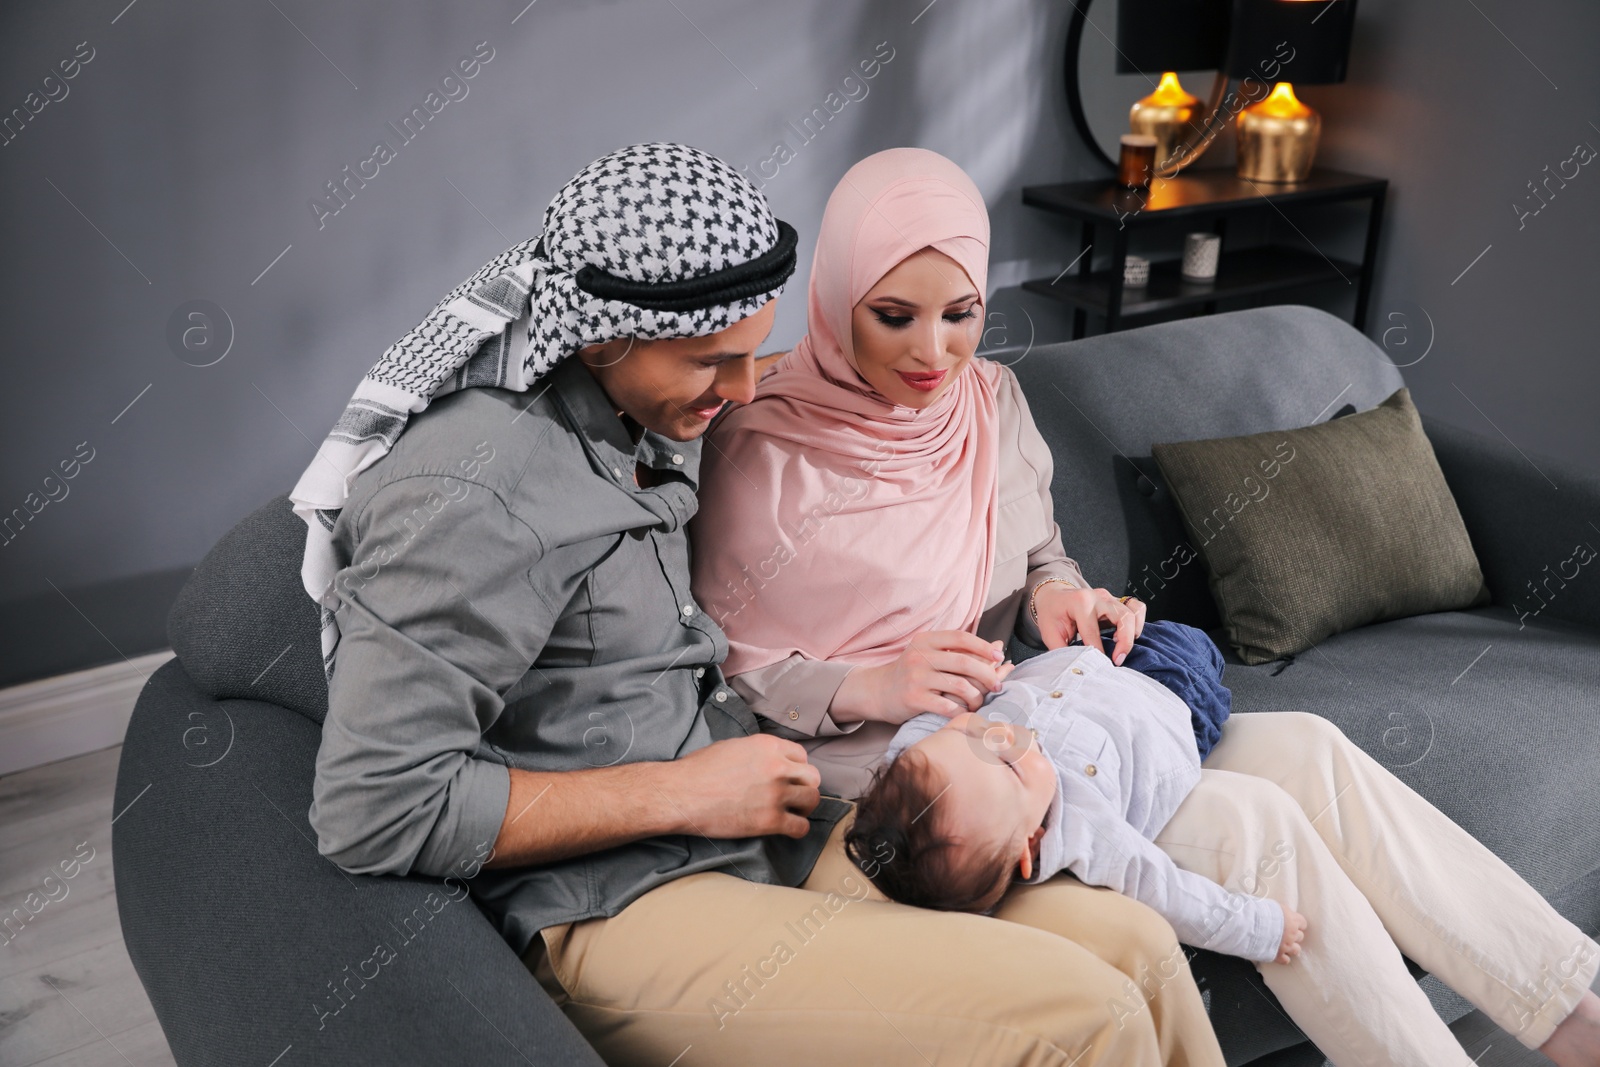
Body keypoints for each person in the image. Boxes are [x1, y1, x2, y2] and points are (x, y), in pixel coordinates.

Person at [297, 143, 1224, 1067]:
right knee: (1090, 1014)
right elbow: (372, 807)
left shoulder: (637, 416)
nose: (745, 390)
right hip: (620, 903)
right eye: (715, 363)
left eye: (751, 352)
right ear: (602, 331)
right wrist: (688, 790)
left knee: (1138, 950)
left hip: (761, 840)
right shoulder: (477, 496)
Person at [689, 146, 1600, 1066]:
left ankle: (1572, 1013)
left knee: (1316, 745)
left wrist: (1063, 599)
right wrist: (871, 685)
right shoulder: (760, 444)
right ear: (836, 300)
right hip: (906, 794)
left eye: (961, 314)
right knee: (1253, 829)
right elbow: (720, 670)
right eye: (893, 317)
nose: (934, 353)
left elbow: (1042, 551)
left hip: (1027, 720)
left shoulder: (988, 401)